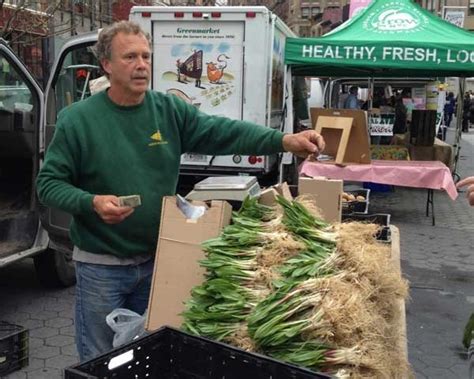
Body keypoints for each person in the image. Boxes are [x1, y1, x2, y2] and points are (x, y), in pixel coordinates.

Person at [35, 21, 325, 362]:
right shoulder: (78, 119)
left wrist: (282, 140)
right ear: (107, 65)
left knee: (145, 353)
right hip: (101, 266)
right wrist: (91, 202)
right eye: (130, 57)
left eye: (146, 56)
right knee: (99, 359)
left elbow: (222, 131)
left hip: (155, 260)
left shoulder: (167, 110)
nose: (141, 64)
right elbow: (48, 185)